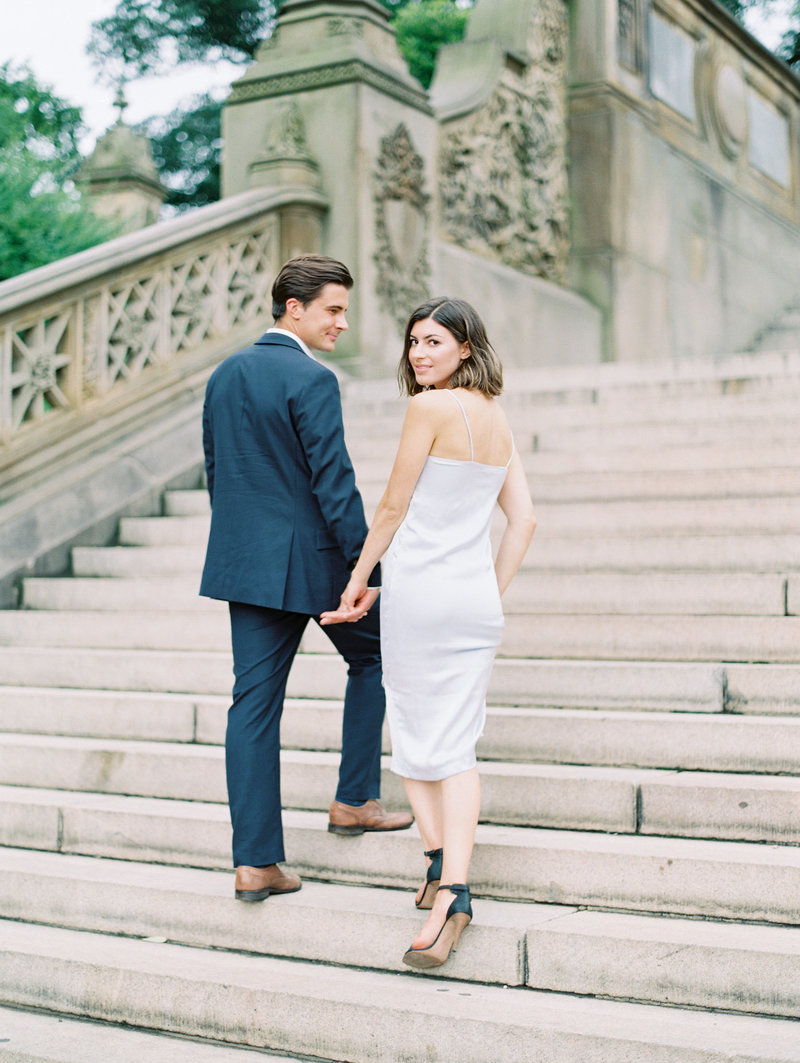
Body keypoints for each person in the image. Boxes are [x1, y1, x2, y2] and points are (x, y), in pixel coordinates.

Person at [322, 296, 536, 968]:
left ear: (466, 347)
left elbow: (392, 505)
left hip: (424, 598)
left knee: (417, 736)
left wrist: (357, 579)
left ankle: (448, 879)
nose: (419, 353)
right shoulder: (498, 419)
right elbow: (524, 522)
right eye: (413, 341)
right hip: (471, 601)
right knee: (458, 741)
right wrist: (484, 592)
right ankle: (447, 874)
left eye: (434, 341)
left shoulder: (429, 408)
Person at [200, 254, 413, 903]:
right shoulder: (313, 379)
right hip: (315, 562)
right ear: (295, 307)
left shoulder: (224, 373)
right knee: (376, 653)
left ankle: (257, 860)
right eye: (334, 309)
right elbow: (335, 483)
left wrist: (247, 545)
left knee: (253, 705)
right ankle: (354, 798)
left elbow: (218, 471)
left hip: (246, 563)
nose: (342, 323)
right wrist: (362, 568)